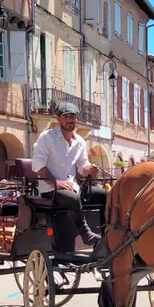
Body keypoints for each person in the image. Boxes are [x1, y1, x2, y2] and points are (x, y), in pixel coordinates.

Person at [31, 102, 108, 246]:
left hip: (72, 187)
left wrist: (90, 169)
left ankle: (105, 234)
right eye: (66, 116)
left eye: (72, 116)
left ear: (77, 119)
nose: (70, 119)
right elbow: (38, 164)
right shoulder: (47, 137)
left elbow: (82, 167)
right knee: (72, 198)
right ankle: (85, 234)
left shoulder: (80, 141)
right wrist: (56, 183)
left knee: (105, 195)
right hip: (50, 189)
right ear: (59, 119)